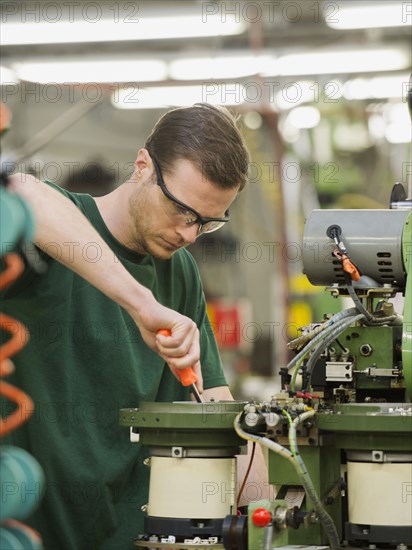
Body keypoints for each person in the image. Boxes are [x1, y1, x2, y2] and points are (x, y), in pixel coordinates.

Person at [2, 103, 268, 549]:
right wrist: (140, 303)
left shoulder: (180, 271)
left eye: (207, 222)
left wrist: (274, 520)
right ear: (142, 166)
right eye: (182, 210)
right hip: (41, 532)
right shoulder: (59, 235)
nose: (188, 233)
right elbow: (23, 191)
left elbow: (217, 410)